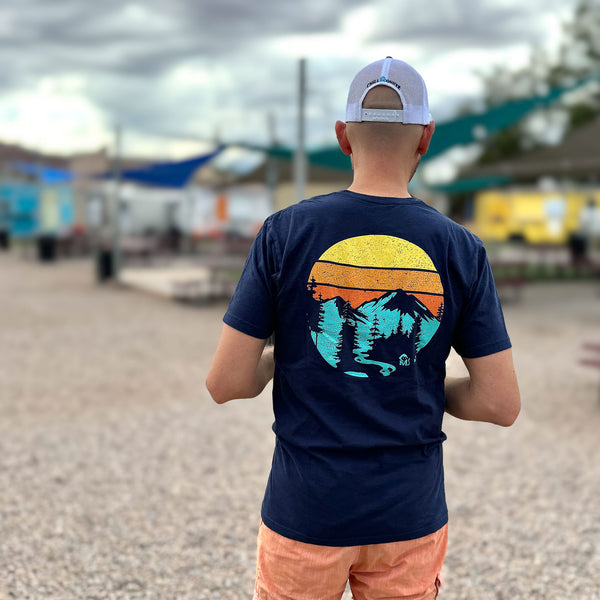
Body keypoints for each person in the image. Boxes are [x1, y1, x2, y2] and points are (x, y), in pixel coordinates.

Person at [206, 57, 520, 600]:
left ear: (342, 136)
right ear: (426, 138)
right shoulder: (459, 247)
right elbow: (500, 403)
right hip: (410, 513)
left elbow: (225, 382)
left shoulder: (285, 233)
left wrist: (290, 358)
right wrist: (419, 381)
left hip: (306, 509)